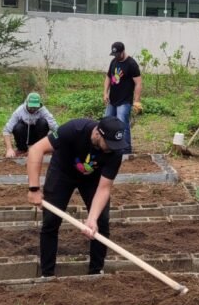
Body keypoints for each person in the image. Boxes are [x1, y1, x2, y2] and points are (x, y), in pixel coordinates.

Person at [25, 116, 126, 277]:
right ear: (98, 134)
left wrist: (92, 218)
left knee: (101, 221)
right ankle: (47, 274)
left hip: (93, 179)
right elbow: (36, 149)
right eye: (109, 144)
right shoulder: (74, 129)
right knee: (51, 221)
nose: (112, 149)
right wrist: (34, 188)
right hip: (62, 172)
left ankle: (95, 272)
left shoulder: (115, 151)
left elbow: (104, 188)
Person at [103, 42, 142, 156]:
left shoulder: (131, 64)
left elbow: (138, 83)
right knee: (107, 123)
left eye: (117, 54)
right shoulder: (114, 61)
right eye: (114, 54)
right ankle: (109, 146)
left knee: (122, 125)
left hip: (124, 101)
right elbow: (108, 77)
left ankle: (126, 150)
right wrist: (105, 93)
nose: (116, 56)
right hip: (112, 100)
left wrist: (137, 101)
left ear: (123, 51)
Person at [2, 93, 58, 159]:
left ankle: (40, 148)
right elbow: (6, 131)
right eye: (31, 107)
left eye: (35, 107)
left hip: (38, 136)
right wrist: (9, 149)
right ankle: (22, 149)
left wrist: (58, 143)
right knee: (18, 127)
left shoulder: (43, 111)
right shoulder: (19, 111)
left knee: (43, 122)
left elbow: (55, 128)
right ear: (26, 103)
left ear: (39, 105)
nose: (32, 109)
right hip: (24, 136)